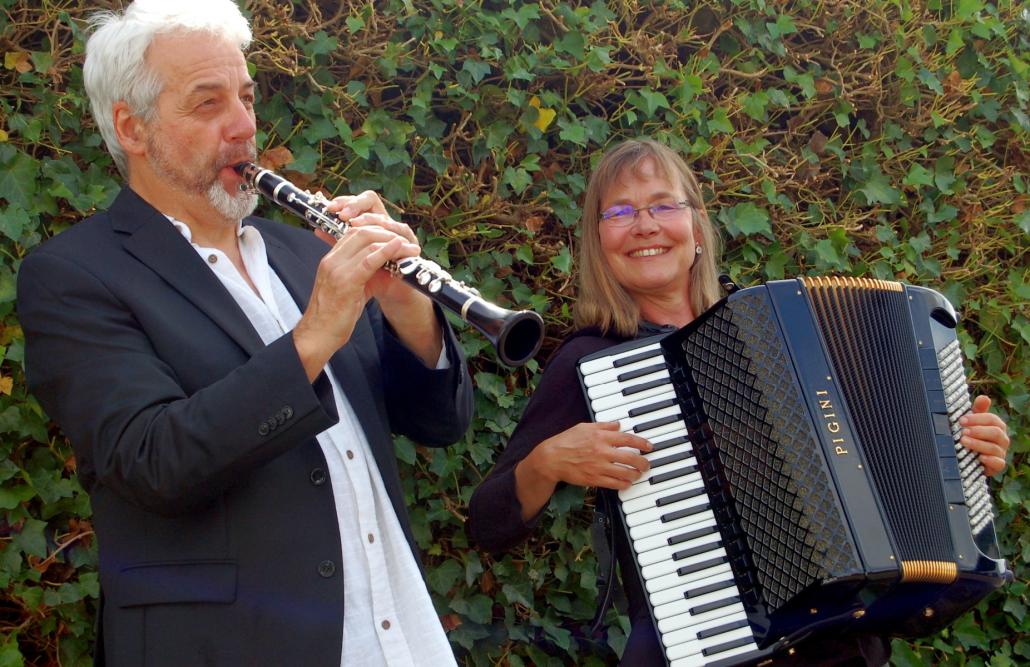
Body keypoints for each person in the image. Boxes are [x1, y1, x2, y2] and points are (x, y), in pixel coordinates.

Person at [16, 1, 473, 665]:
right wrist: (312, 335)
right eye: (208, 103)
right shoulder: (74, 275)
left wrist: (407, 305)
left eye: (247, 96)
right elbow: (153, 460)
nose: (243, 125)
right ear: (133, 128)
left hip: (398, 639)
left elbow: (439, 423)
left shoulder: (302, 253)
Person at [467, 138, 1011, 665]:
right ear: (599, 243)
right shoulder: (592, 359)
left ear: (698, 227)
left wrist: (962, 452)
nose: (645, 225)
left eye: (663, 205)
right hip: (707, 637)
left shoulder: (776, 332)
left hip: (844, 646)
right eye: (620, 212)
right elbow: (488, 524)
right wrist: (546, 462)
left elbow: (889, 452)